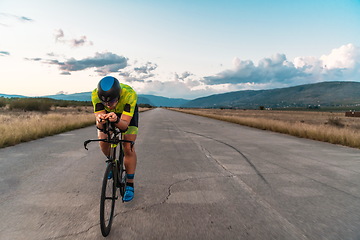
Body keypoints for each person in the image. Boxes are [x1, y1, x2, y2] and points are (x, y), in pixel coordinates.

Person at [91, 76, 139, 202]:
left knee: (128, 146)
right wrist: (100, 122)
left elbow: (124, 126)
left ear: (118, 96)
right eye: (105, 102)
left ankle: (130, 184)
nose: (108, 105)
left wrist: (117, 120)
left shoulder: (129, 94)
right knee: (103, 139)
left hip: (125, 116)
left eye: (111, 102)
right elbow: (99, 125)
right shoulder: (95, 94)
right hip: (109, 116)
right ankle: (112, 162)